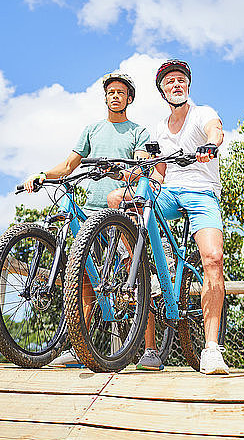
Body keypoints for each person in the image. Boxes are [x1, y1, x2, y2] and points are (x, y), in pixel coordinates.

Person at [108, 59, 229, 375]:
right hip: (169, 193)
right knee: (118, 200)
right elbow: (157, 173)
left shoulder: (203, 114)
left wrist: (210, 145)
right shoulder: (160, 128)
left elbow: (216, 131)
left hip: (202, 193)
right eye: (169, 82)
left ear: (187, 86)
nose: (176, 84)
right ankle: (134, 257)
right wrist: (129, 174)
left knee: (213, 259)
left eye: (181, 80)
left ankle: (213, 350)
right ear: (162, 91)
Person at [24, 71, 150, 367]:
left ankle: (149, 349)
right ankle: (77, 347)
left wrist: (120, 172)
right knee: (85, 281)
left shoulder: (138, 131)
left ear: (129, 99)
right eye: (111, 93)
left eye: (121, 92)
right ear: (105, 98)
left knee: (137, 280)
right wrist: (42, 174)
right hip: (92, 213)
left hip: (124, 215)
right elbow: (69, 165)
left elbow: (143, 169)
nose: (115, 96)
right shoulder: (92, 129)